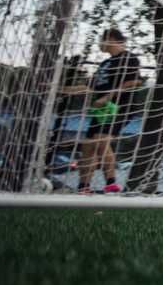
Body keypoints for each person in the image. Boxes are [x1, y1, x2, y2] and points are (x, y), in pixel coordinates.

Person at [61, 29, 144, 194]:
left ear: (111, 39)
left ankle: (111, 185)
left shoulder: (128, 58)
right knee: (88, 146)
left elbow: (134, 82)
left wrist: (108, 96)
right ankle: (83, 187)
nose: (100, 44)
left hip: (121, 107)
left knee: (100, 141)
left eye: (102, 40)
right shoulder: (105, 64)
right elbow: (88, 87)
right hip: (102, 112)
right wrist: (59, 89)